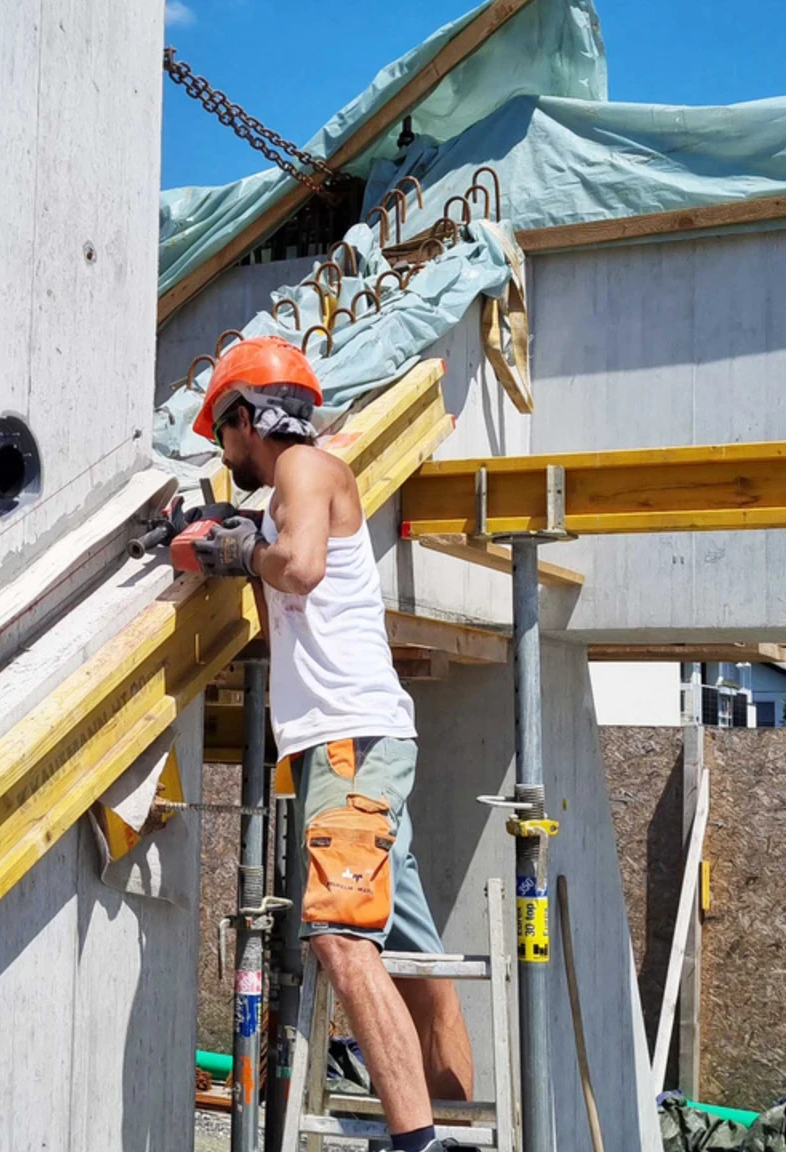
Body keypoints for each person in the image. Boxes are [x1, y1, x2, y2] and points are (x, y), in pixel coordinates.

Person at [188, 336, 474, 1152]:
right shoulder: (293, 490)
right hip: (366, 739)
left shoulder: (304, 471)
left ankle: (418, 1144)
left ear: (249, 417)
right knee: (412, 958)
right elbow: (283, 543)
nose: (224, 449)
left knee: (340, 941)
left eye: (224, 432)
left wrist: (241, 553)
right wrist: (212, 529)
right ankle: (451, 1116)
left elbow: (301, 568)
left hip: (348, 744)